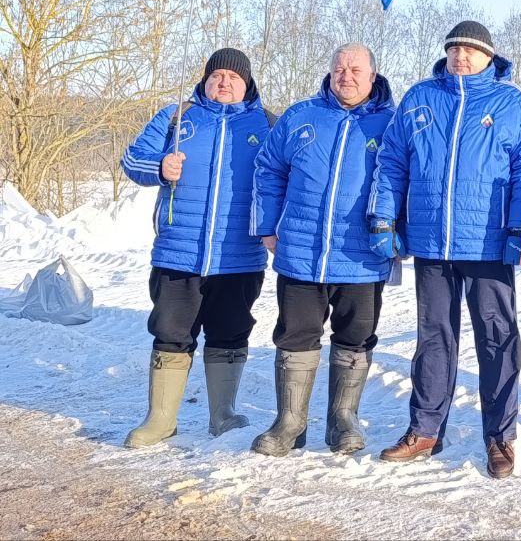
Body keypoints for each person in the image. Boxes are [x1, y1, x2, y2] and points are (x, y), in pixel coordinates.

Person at [369, 21, 521, 479]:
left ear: (489, 57)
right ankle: (425, 429)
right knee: (433, 337)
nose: (460, 56)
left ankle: (500, 436)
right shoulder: (421, 98)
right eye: (454, 49)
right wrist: (384, 217)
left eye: (470, 50)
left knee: (497, 337)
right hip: (431, 240)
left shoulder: (511, 103)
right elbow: (392, 161)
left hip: (489, 244)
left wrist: (519, 227)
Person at [119, 48, 274, 447]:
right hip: (178, 252)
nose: (224, 82)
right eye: (216, 75)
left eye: (233, 77)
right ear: (205, 81)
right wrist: (159, 166)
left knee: (230, 333)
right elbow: (132, 159)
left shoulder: (268, 124)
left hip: (240, 256)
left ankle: (223, 415)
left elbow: (288, 178)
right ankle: (160, 420)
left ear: (247, 84)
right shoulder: (177, 116)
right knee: (171, 333)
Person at [249, 43, 396, 457]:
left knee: (355, 336)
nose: (345, 76)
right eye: (338, 69)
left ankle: (342, 420)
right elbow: (268, 169)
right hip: (301, 251)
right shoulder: (301, 116)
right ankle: (289, 423)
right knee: (295, 335)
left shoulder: (393, 123)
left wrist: (400, 232)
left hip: (361, 256)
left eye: (355, 70)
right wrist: (267, 227)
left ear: (373, 76)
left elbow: (408, 180)